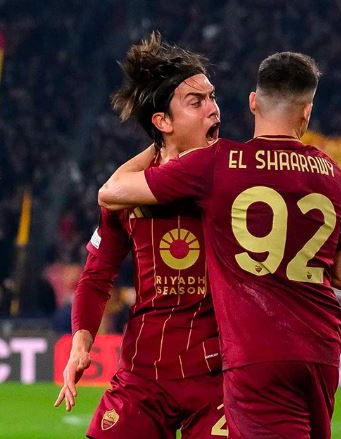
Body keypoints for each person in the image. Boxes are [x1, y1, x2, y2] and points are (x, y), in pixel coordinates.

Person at [99, 51, 341, 439]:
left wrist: (158, 144)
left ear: (253, 102)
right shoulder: (335, 175)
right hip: (322, 350)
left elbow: (111, 192)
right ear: (306, 112)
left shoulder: (222, 162)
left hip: (258, 353)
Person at [54, 32, 225, 438]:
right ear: (163, 122)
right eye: (196, 102)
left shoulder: (231, 177)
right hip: (144, 375)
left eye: (212, 97)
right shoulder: (127, 195)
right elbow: (96, 276)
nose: (214, 109)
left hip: (218, 376)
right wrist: (81, 343)